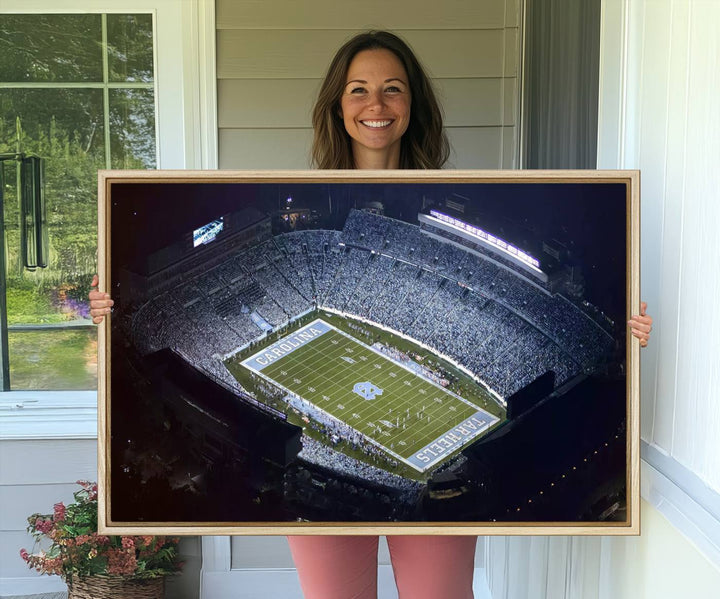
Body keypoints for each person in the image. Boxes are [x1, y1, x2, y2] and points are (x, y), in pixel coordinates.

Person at [89, 30, 653, 599]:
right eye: (359, 90)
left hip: (428, 496)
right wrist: (106, 312)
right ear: (338, 105)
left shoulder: (469, 192)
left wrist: (627, 335)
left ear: (413, 105)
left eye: (392, 89)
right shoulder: (297, 197)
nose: (376, 105)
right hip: (324, 498)